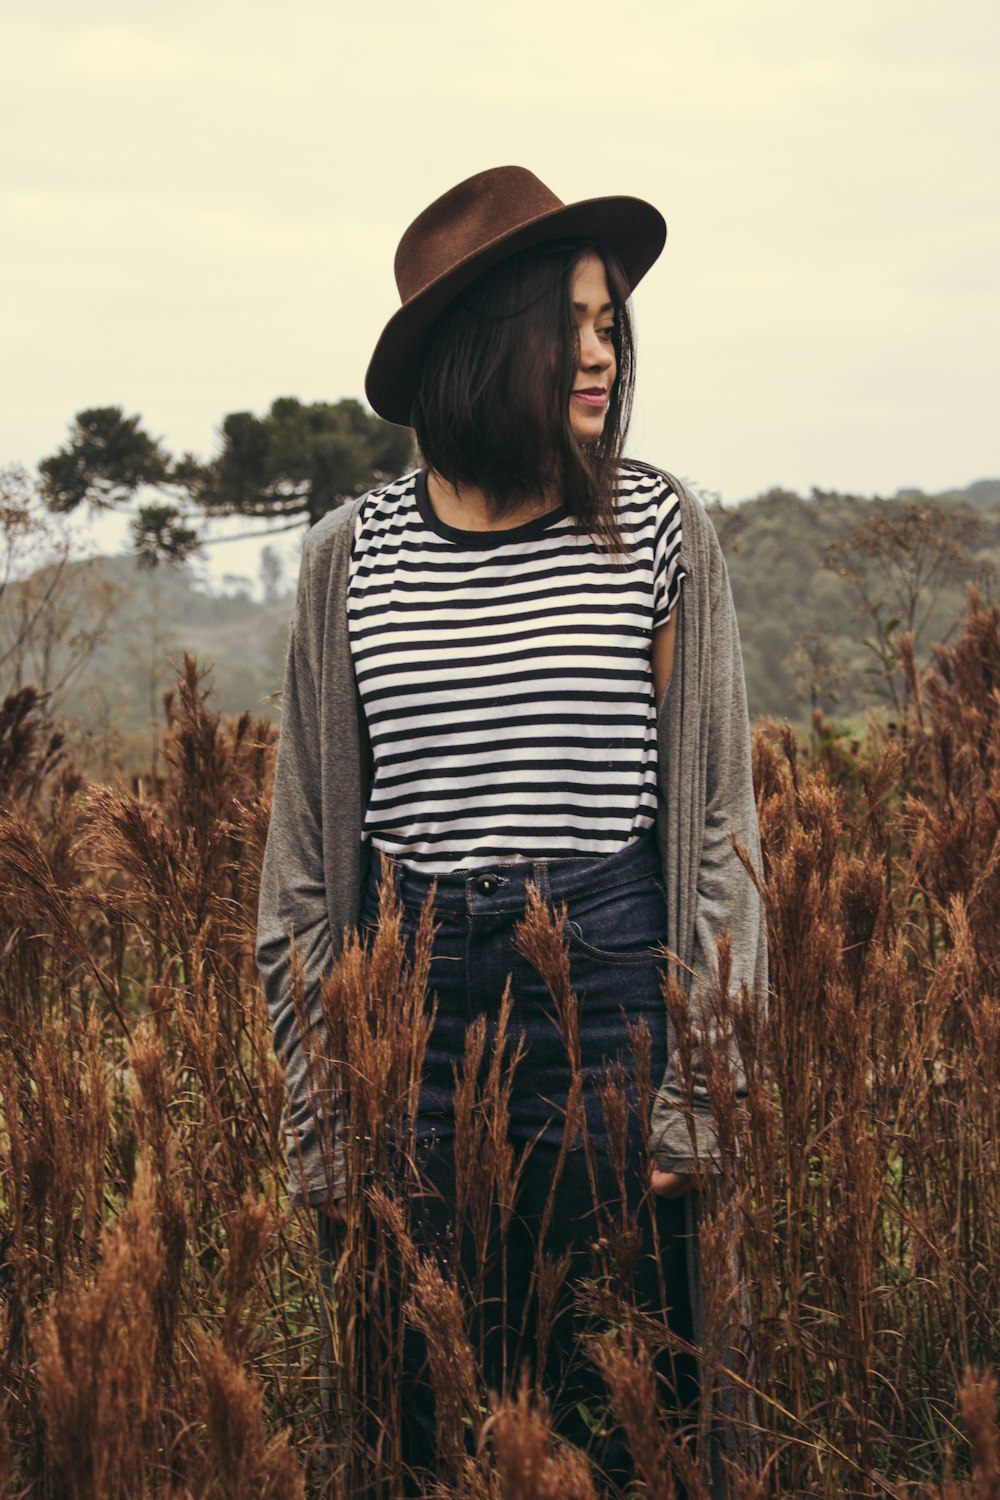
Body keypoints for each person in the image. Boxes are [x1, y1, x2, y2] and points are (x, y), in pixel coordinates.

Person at [256, 166, 767, 1496]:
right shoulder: (350, 560)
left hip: (608, 995)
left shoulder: (656, 529)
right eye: (577, 321)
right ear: (492, 338)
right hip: (408, 1005)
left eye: (614, 325)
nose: (605, 349)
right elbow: (308, 867)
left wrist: (698, 1095)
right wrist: (325, 1113)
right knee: (426, 1395)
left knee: (620, 1388)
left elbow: (716, 838)